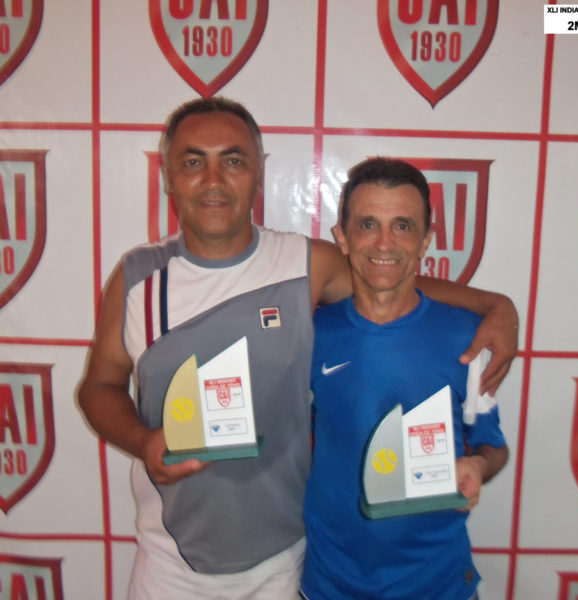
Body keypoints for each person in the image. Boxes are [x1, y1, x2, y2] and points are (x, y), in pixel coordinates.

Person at [78, 97, 516, 600]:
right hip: (169, 559)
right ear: (169, 176)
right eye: (194, 161)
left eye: (233, 160)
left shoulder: (306, 264)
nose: (214, 180)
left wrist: (496, 306)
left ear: (258, 173)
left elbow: (385, 276)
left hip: (284, 563)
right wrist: (143, 441)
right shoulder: (137, 277)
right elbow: (99, 386)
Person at [300, 157, 509, 600]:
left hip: (438, 584)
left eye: (402, 226)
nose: (384, 242)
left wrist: (478, 465)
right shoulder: (308, 335)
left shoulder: (468, 339)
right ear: (342, 237)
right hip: (330, 583)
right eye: (368, 224)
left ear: (425, 240)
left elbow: (492, 446)